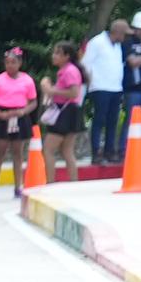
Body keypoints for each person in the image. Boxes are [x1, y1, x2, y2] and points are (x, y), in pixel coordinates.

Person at [78, 12, 130, 174]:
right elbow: (85, 63)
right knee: (99, 120)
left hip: (115, 88)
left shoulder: (117, 46)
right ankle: (96, 152)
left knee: (112, 121)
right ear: (118, 32)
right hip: (100, 87)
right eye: (124, 34)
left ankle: (109, 150)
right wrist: (91, 82)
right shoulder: (98, 42)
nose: (126, 37)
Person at [0, 46, 38, 201]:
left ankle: (17, 187)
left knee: (18, 153)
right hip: (2, 115)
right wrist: (0, 114)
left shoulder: (27, 80)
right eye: (7, 62)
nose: (10, 66)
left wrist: (23, 111)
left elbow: (33, 101)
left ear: (19, 63)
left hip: (19, 116)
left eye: (13, 62)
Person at [41, 47, 85, 182]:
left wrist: (51, 90)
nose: (53, 56)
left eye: (58, 53)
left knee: (48, 149)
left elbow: (74, 93)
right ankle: (73, 182)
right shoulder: (65, 71)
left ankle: (50, 182)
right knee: (67, 150)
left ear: (67, 56)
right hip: (71, 111)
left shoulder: (69, 71)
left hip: (65, 111)